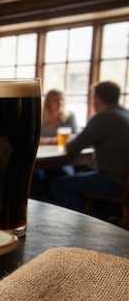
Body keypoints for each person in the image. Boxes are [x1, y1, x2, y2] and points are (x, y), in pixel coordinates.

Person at [50, 81, 129, 219]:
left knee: (58, 185)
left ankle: (92, 218)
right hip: (123, 180)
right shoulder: (125, 114)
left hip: (113, 181)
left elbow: (73, 147)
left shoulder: (104, 117)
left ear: (97, 99)